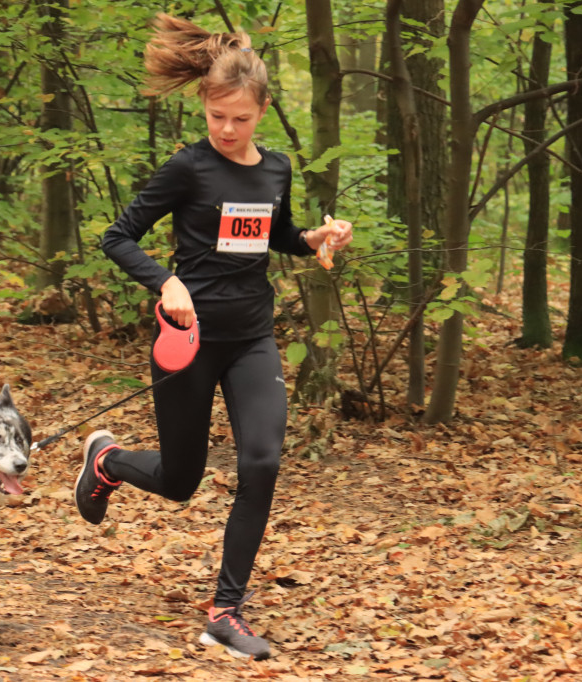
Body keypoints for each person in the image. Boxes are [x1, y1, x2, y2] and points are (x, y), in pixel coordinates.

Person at [74, 13, 353, 661]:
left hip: (252, 337)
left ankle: (225, 611)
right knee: (180, 481)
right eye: (216, 117)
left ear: (263, 112)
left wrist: (313, 241)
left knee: (262, 462)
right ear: (203, 106)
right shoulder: (189, 169)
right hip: (189, 340)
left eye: (241, 119)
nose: (227, 131)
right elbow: (117, 237)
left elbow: (273, 236)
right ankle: (108, 461)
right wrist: (164, 282)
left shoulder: (275, 171)